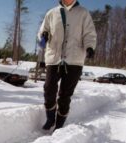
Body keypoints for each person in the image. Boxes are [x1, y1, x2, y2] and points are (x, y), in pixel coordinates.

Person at [38, 0, 97, 131]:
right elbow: (43, 31)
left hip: (74, 60)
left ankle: (59, 125)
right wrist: (44, 35)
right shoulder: (52, 13)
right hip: (54, 58)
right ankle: (50, 118)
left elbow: (89, 33)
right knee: (48, 88)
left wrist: (90, 47)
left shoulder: (83, 13)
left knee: (65, 95)